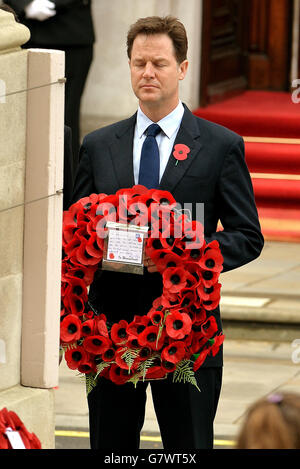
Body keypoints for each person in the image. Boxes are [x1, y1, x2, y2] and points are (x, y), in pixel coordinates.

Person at [71, 15, 264, 450]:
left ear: (182, 68)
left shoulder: (219, 146)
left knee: (188, 447)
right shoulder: (99, 146)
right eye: (139, 63)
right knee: (111, 448)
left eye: (159, 63)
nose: (147, 73)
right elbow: (74, 233)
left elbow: (246, 236)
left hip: (188, 330)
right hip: (112, 331)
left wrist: (183, 259)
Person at [4, 0, 95, 176]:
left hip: (72, 35)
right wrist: (25, 4)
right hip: (25, 33)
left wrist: (54, 2)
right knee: (24, 116)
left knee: (66, 118)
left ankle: (66, 186)